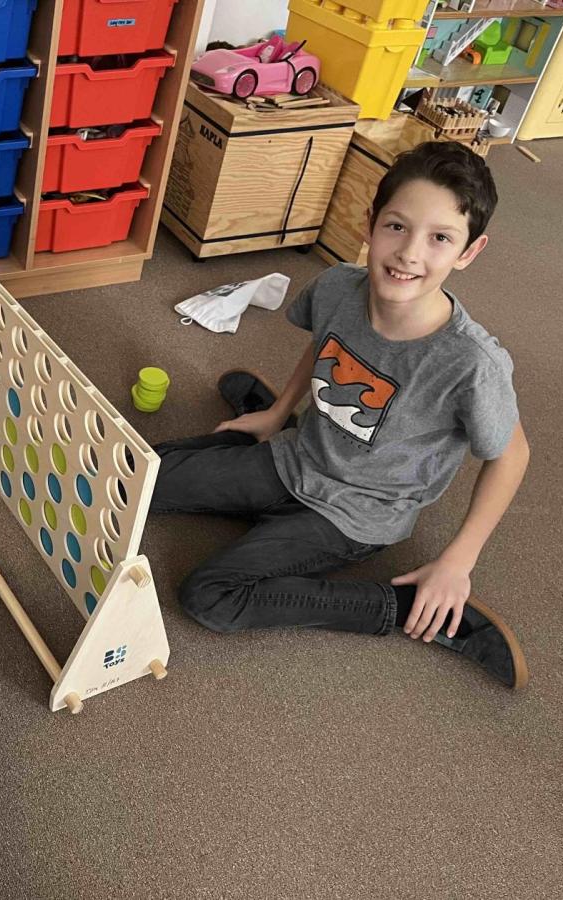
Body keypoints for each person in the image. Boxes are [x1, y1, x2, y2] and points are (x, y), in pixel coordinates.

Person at [151, 141, 530, 688]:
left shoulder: (472, 362)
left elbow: (511, 456)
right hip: (296, 456)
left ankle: (397, 608)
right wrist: (278, 411)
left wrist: (457, 562)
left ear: (468, 252)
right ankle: (257, 423)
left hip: (357, 513)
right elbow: (325, 345)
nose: (409, 254)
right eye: (397, 227)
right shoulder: (336, 286)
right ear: (370, 222)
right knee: (137, 476)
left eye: (440, 238)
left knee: (209, 597)